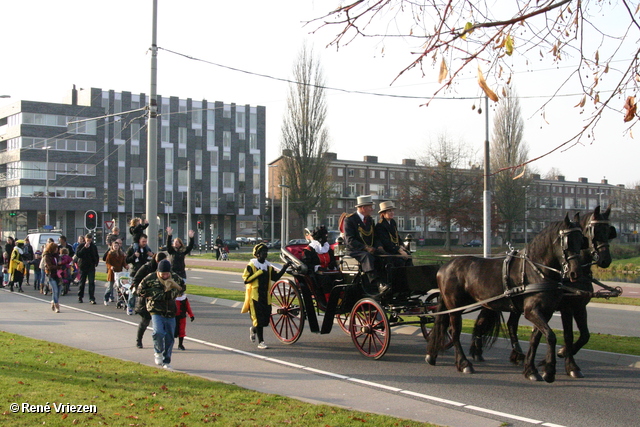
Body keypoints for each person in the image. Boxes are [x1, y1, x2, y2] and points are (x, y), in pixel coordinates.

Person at [241, 243, 291, 349]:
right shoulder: (251, 266)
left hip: (266, 296)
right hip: (255, 296)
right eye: (263, 252)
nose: (265, 254)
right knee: (258, 319)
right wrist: (258, 273)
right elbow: (246, 280)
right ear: (258, 254)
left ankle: (253, 329)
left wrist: (284, 268)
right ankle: (261, 342)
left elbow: (275, 277)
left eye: (266, 252)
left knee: (265, 320)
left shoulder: (268, 266)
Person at [138, 259, 186, 370]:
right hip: (156, 309)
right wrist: (156, 294)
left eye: (167, 273)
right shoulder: (150, 278)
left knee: (169, 336)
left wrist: (172, 293)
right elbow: (139, 290)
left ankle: (166, 361)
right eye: (162, 274)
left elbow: (182, 287)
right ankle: (158, 351)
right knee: (158, 332)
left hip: (170, 310)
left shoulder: (174, 277)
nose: (165, 276)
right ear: (158, 272)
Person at [343, 195, 388, 294]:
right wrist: (365, 247)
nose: (372, 209)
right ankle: (376, 284)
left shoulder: (370, 220)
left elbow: (375, 237)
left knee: (384, 257)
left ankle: (387, 282)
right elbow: (350, 240)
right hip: (355, 251)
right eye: (370, 207)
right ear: (363, 208)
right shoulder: (350, 220)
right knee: (367, 257)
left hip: (369, 249)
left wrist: (379, 247)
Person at [133, 252, 167, 349]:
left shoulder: (165, 270)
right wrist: (142, 292)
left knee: (161, 323)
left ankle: (160, 343)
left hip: (160, 299)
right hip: (146, 299)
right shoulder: (146, 268)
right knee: (145, 321)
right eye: (162, 261)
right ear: (157, 261)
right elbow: (136, 280)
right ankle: (139, 340)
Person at [302, 225, 339, 303]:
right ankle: (328, 301)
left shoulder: (327, 248)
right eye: (324, 236)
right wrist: (317, 267)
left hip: (328, 271)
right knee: (326, 279)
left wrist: (332, 264)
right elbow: (307, 264)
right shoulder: (309, 250)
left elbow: (332, 259)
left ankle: (340, 298)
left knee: (339, 277)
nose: (326, 238)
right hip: (316, 274)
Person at [375, 201, 413, 268]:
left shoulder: (392, 222)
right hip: (387, 250)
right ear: (383, 213)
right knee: (399, 260)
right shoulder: (380, 225)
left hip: (395, 248)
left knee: (408, 256)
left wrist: (401, 245)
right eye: (389, 211)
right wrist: (399, 250)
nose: (392, 213)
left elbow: (397, 236)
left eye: (392, 211)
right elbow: (386, 242)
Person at [126, 234, 154, 315]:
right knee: (133, 291)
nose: (144, 243)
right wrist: (134, 256)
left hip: (144, 274)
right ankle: (130, 306)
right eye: (143, 241)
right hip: (135, 273)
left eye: (145, 241)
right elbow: (127, 260)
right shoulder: (133, 249)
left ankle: (141, 307)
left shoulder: (147, 249)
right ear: (139, 241)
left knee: (144, 291)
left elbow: (153, 259)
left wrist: (152, 255)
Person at [76, 233, 100, 304]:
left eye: (90, 240)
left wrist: (96, 262)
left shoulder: (93, 246)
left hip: (91, 266)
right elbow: (78, 254)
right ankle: (80, 296)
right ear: (85, 239)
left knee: (91, 282)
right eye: (87, 240)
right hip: (83, 266)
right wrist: (84, 248)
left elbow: (96, 255)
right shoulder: (81, 246)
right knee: (82, 282)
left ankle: (92, 298)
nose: (88, 241)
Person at [104, 240, 128, 306]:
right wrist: (111, 267)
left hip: (119, 272)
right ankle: (106, 299)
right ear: (112, 246)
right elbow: (107, 262)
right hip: (112, 272)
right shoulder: (110, 253)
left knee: (120, 287)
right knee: (110, 287)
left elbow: (123, 262)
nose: (116, 247)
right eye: (114, 246)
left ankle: (120, 300)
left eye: (117, 246)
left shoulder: (121, 254)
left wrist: (126, 266)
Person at [43, 242, 61, 313]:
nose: (57, 250)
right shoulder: (47, 256)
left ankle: (53, 301)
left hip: (58, 275)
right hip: (51, 275)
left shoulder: (57, 256)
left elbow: (61, 262)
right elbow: (49, 266)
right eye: (56, 248)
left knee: (58, 291)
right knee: (55, 290)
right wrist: (58, 267)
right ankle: (57, 306)